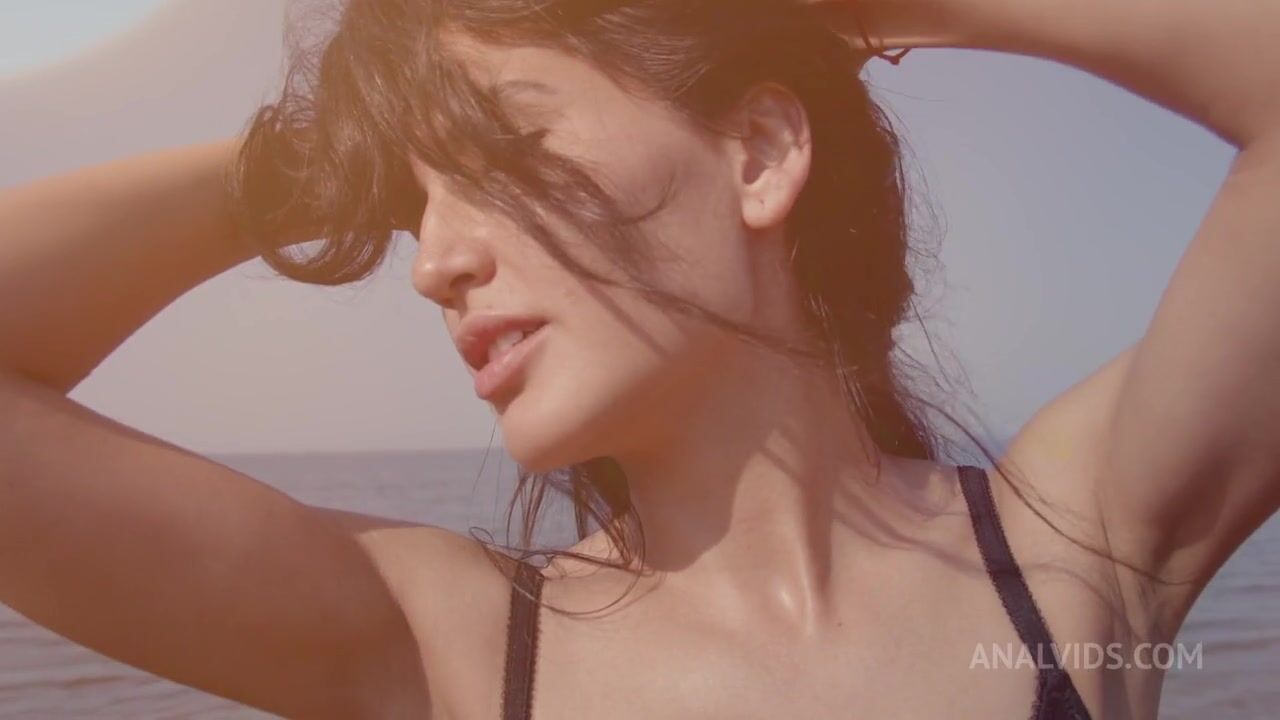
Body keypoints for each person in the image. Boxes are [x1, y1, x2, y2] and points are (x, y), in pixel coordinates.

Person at [0, 0, 1276, 717]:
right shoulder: (449, 647)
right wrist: (314, 164)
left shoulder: (1068, 552)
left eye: (500, 155)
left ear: (757, 156)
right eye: (410, 204)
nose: (433, 262)